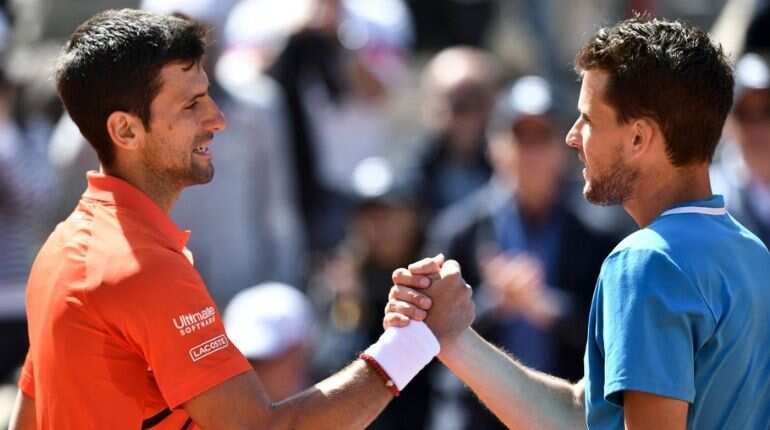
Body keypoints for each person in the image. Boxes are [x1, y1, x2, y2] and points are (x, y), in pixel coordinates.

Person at [8, 9, 473, 429]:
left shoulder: (62, 247)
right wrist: (415, 340)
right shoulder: (145, 270)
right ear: (125, 130)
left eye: (208, 96)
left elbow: (27, 419)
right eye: (191, 105)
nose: (217, 118)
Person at [385, 16, 770, 429]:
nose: (571, 136)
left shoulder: (646, 262)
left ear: (639, 138)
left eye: (587, 119)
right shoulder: (753, 252)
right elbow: (580, 414)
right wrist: (456, 339)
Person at [423, 75, 618, 429]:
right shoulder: (459, 231)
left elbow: (614, 335)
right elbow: (430, 334)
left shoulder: (598, 235)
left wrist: (547, 307)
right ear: (494, 145)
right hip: (474, 416)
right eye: (519, 136)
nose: (530, 152)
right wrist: (492, 301)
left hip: (565, 412)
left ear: (563, 149)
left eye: (542, 137)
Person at [712, 52, 770, 246]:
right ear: (729, 122)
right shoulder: (711, 195)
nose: (759, 127)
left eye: (767, 111)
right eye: (746, 114)